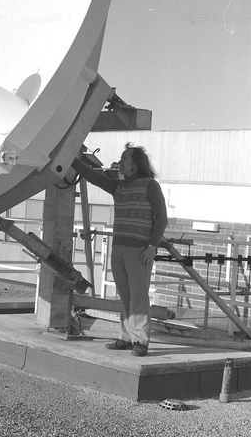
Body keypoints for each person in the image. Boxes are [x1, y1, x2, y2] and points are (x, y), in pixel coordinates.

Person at [72, 144, 167, 357]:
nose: (120, 162)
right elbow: (92, 176)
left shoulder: (150, 185)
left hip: (139, 250)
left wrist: (152, 246)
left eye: (125, 159)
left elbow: (162, 219)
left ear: (135, 164)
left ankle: (140, 341)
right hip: (119, 249)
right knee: (124, 295)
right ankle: (126, 338)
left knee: (138, 296)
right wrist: (73, 160)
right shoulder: (119, 187)